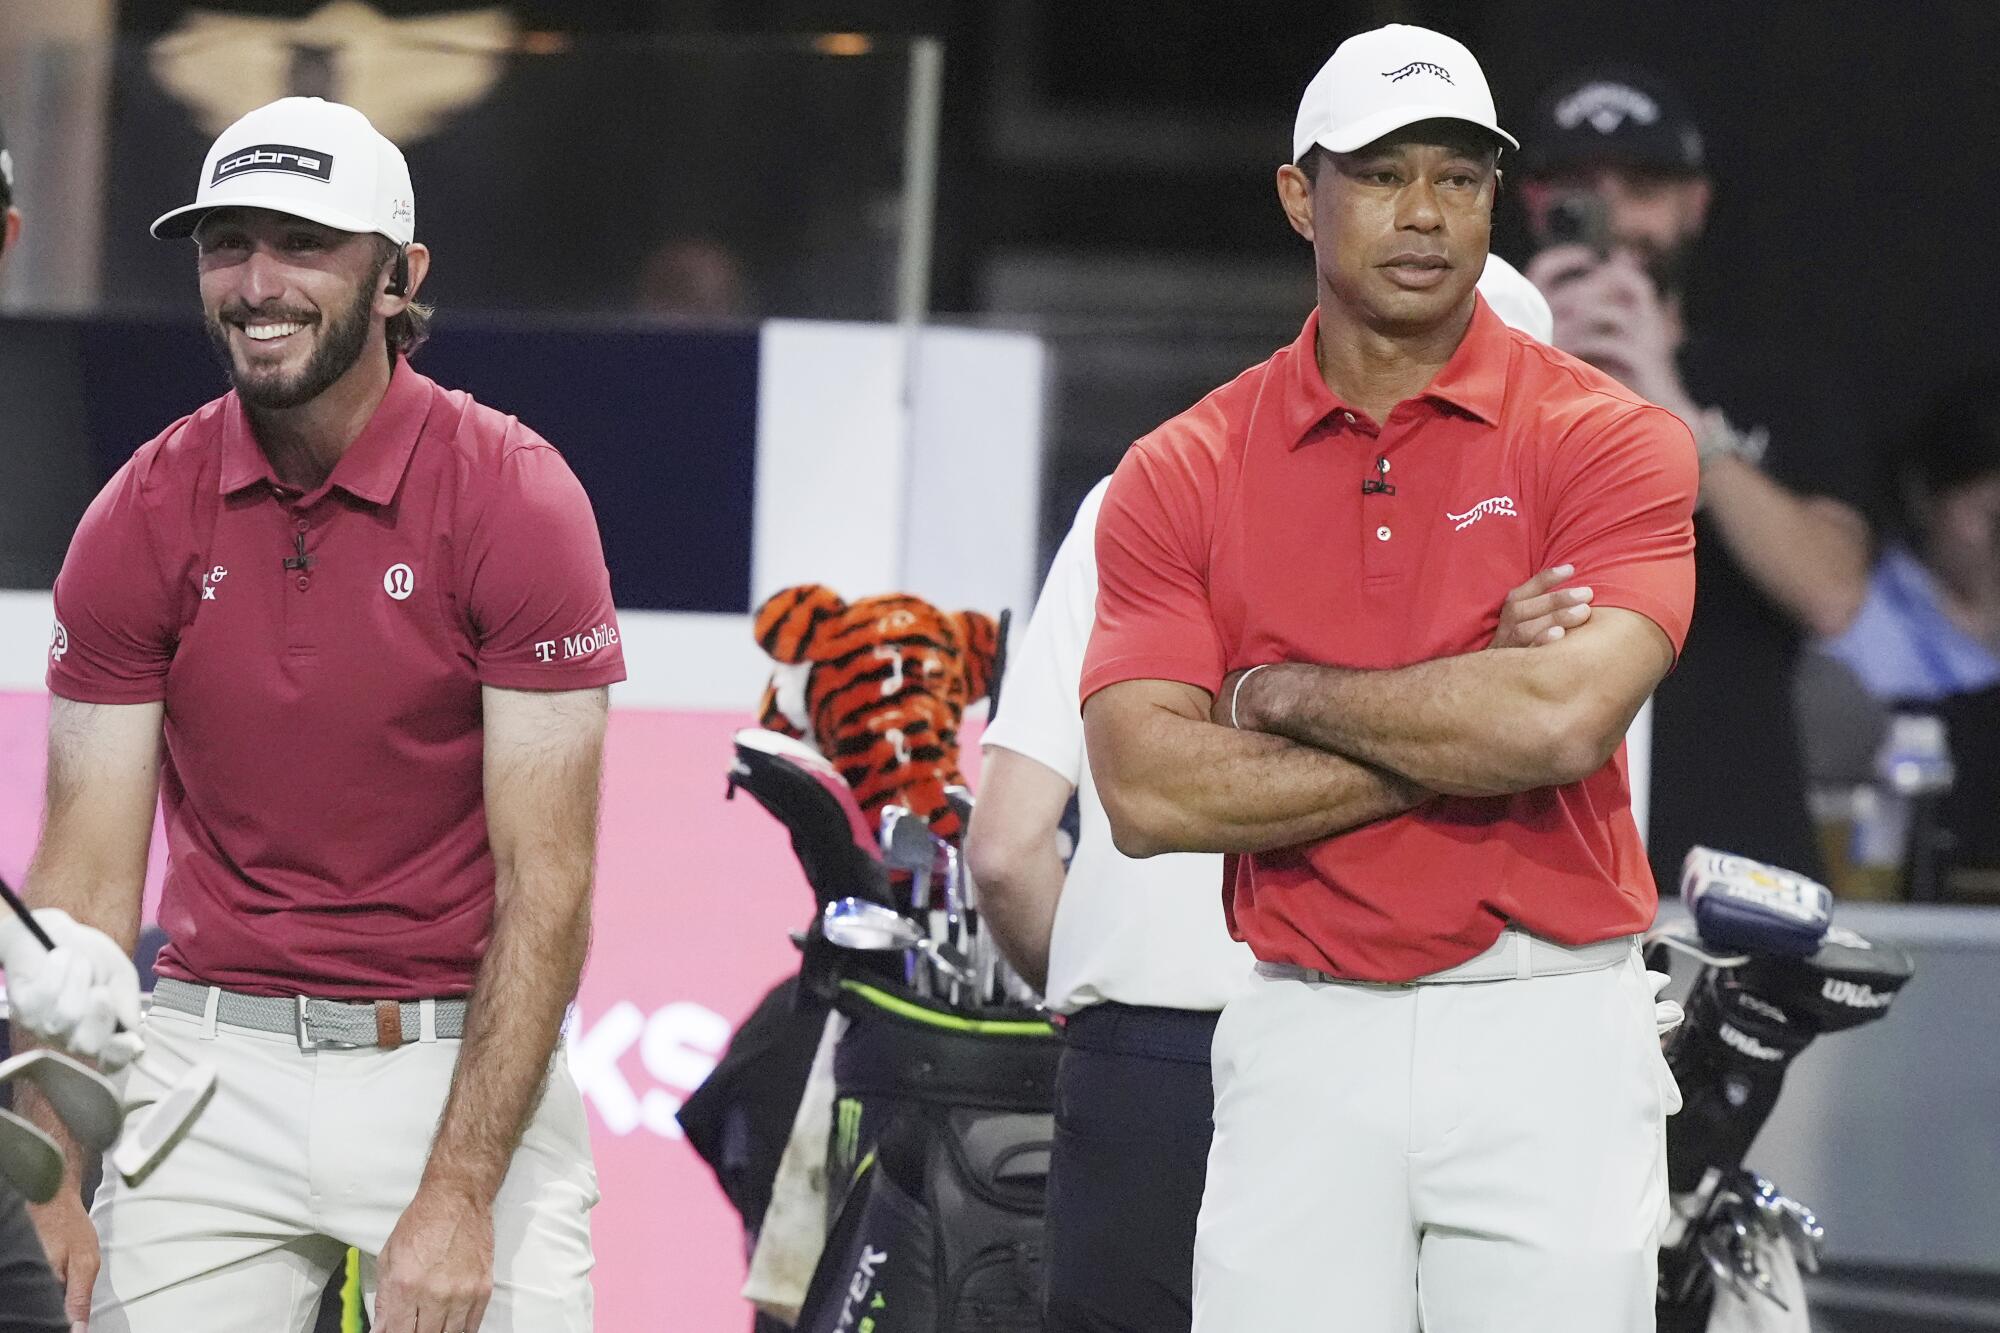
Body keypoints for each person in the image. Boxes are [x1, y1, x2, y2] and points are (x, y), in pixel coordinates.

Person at [1080, 25, 1695, 1332]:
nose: (1425, 213)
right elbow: (1147, 793)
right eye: (1382, 172)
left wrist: (1276, 692)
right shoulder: (1179, 467)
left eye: (1461, 178)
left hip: (1550, 1028)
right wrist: (1467, 699)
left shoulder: (1614, 441)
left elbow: (1563, 717)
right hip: (1305, 1032)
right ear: (1304, 195)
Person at [18, 96, 620, 1333]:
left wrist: (457, 1193)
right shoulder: (139, 511)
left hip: (458, 1067)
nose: (257, 282)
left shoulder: (516, 499)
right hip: (199, 1063)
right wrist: (50, 1163)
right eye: (226, 244)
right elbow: (81, 889)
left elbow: (546, 888)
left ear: (400, 278)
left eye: (302, 243)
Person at [965, 258, 1564, 1333]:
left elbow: (1005, 847)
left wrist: (1104, 1009)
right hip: (1386, 1049)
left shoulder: (1140, 494)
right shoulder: (1533, 558)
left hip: (1136, 1062)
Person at [1515, 68, 1873, 889]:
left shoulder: (1775, 388)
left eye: (1642, 186)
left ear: (1694, 203)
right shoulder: (1481, 378)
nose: (1615, 214)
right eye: (1578, 189)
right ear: (1534, 203)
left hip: (1733, 845)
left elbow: (1832, 592)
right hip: (1532, 842)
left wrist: (1673, 409)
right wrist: (1523, 361)